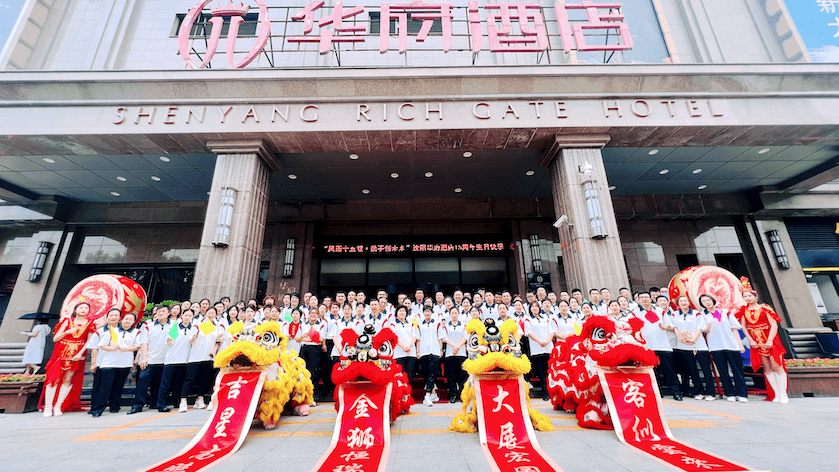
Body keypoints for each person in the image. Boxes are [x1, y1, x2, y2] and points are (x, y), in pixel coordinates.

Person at [735, 278, 788, 403]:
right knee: (767, 368)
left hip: (769, 339)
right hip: (756, 342)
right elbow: (743, 326)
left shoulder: (765, 308)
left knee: (777, 366)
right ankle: (775, 393)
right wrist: (750, 340)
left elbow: (774, 325)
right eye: (745, 296)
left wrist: (770, 340)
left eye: (749, 295)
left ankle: (783, 393)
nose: (748, 298)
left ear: (756, 296)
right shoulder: (744, 310)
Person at [41, 302, 96, 417]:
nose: (84, 309)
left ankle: (58, 406)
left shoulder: (90, 324)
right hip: (61, 353)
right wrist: (67, 332)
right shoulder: (67, 321)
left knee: (68, 379)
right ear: (75, 309)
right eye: (81, 307)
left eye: (86, 308)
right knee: (54, 379)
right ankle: (48, 406)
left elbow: (89, 341)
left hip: (77, 354)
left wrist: (80, 353)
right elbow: (56, 338)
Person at [90, 310, 141, 417]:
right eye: (126, 319)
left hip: (125, 363)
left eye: (131, 320)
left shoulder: (136, 332)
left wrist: (126, 349)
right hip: (109, 363)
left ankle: (115, 406)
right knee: (105, 387)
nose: (128, 321)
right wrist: (113, 348)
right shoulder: (112, 331)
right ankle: (98, 409)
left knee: (118, 386)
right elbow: (102, 345)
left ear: (134, 322)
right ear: (122, 320)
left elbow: (137, 346)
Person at [699, 293, 749, 403]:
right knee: (723, 371)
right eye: (704, 301)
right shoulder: (702, 315)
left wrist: (740, 344)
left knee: (737, 370)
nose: (707, 302)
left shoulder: (725, 312)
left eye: (708, 300)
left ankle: (742, 394)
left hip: (731, 345)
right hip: (715, 346)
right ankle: (729, 393)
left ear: (713, 300)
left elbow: (734, 329)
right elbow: (703, 331)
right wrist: (706, 328)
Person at [635, 292, 682, 401]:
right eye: (641, 298)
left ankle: (676, 392)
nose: (644, 299)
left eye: (646, 297)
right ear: (638, 300)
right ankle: (657, 393)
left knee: (669, 370)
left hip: (663, 345)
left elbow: (670, 324)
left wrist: (665, 326)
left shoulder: (660, 311)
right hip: (647, 346)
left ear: (651, 299)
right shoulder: (636, 313)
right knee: (653, 372)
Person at [670, 296, 715, 400]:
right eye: (681, 301)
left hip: (699, 345)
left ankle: (710, 392)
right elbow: (675, 328)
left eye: (685, 300)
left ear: (689, 302)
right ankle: (699, 391)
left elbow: (700, 327)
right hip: (683, 346)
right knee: (692, 370)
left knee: (706, 369)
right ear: (678, 304)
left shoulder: (696, 313)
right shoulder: (675, 314)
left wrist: (693, 338)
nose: (683, 302)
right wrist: (680, 338)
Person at [129, 304, 171, 414]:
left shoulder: (174, 326)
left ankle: (156, 403)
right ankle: (138, 405)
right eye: (159, 311)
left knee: (159, 384)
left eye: (163, 311)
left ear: (169, 313)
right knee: (142, 383)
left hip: (165, 361)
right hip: (150, 360)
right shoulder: (149, 326)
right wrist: (144, 358)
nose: (160, 313)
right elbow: (144, 343)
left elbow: (173, 342)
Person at [180, 306, 223, 412]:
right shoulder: (197, 324)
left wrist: (214, 351)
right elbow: (190, 340)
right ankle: (183, 401)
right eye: (209, 312)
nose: (211, 314)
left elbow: (218, 340)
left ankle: (200, 399)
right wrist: (194, 337)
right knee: (189, 379)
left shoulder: (216, 326)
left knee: (204, 380)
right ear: (205, 313)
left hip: (208, 357)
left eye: (213, 313)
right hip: (195, 356)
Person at [156, 309, 194, 412]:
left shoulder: (193, 329)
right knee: (166, 383)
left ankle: (176, 402)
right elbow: (170, 341)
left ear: (192, 317)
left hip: (184, 360)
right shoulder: (176, 327)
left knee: (179, 383)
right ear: (182, 316)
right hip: (171, 359)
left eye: (190, 316)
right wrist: (170, 340)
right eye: (186, 315)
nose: (187, 317)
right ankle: (161, 404)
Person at [524, 300, 554, 401]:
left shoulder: (545, 318)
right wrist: (540, 341)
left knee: (550, 371)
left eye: (536, 306)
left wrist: (547, 341)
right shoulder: (528, 320)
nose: (535, 308)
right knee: (542, 373)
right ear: (530, 309)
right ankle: (545, 393)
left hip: (548, 347)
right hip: (537, 349)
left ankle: (553, 392)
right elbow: (530, 333)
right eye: (532, 307)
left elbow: (551, 331)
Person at [417, 306, 444, 406]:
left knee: (432, 373)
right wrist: (418, 352)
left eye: (429, 311)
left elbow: (440, 338)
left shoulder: (437, 324)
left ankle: (427, 396)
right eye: (425, 311)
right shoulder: (420, 325)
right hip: (424, 352)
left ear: (432, 313)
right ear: (423, 313)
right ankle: (433, 393)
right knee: (426, 373)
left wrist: (440, 350)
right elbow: (418, 340)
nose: (427, 313)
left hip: (435, 351)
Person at [299, 307, 327, 403]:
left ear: (318, 315)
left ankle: (314, 394)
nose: (313, 315)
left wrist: (310, 337)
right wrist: (303, 336)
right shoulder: (303, 324)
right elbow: (298, 338)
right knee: (303, 371)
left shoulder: (322, 324)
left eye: (315, 314)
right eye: (311, 314)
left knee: (314, 372)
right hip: (304, 348)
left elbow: (322, 339)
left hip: (314, 349)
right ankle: (302, 394)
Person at [443, 307, 466, 403]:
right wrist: (454, 346)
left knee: (462, 375)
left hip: (461, 353)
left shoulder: (464, 325)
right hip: (450, 353)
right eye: (452, 313)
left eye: (455, 313)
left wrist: (458, 347)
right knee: (451, 375)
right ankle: (453, 394)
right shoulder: (446, 326)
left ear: (458, 314)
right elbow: (445, 338)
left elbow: (465, 337)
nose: (454, 315)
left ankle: (462, 394)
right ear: (450, 314)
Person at [392, 305, 418, 385]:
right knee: (400, 375)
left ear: (406, 313)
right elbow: (394, 337)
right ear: (397, 313)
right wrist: (404, 346)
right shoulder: (393, 324)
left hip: (411, 353)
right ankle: (402, 395)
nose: (402, 313)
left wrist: (409, 346)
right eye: (400, 311)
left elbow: (414, 336)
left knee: (409, 375)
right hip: (399, 354)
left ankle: (408, 395)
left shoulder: (411, 324)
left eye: (403, 311)